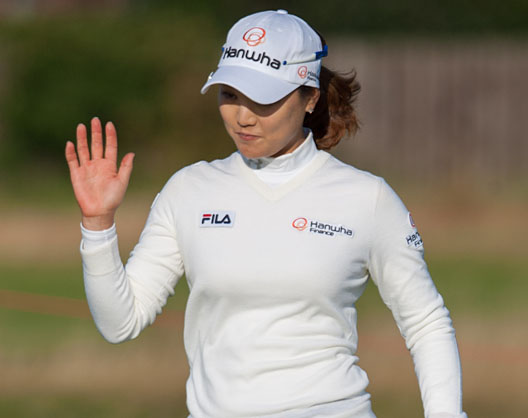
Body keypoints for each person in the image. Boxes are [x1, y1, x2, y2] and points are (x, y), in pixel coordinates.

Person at [65, 9, 467, 418]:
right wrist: (98, 225)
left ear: (310, 98)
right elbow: (120, 323)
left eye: (263, 99)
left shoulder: (367, 198)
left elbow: (426, 323)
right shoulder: (188, 190)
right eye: (230, 95)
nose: (243, 117)